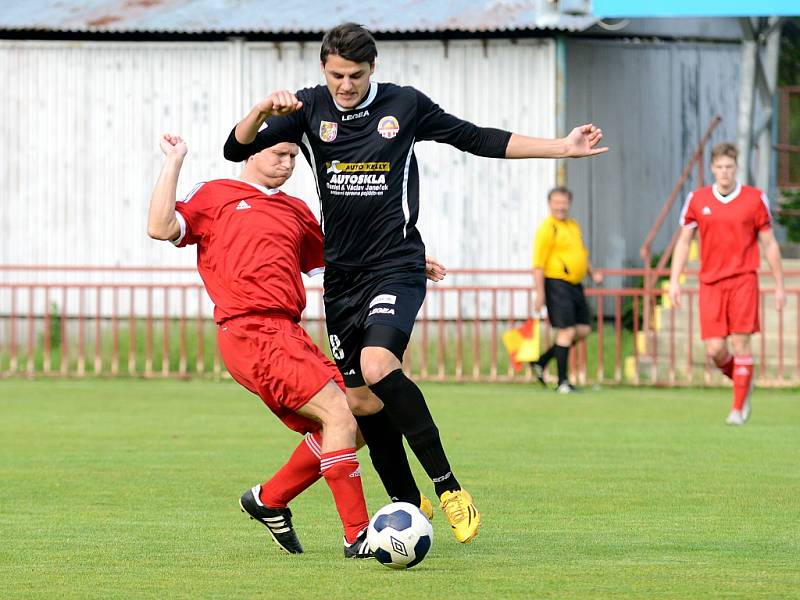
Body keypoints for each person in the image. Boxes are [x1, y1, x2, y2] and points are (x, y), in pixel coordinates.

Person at [223, 22, 608, 544]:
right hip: (341, 280)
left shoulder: (404, 105)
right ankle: (407, 501)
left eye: (355, 75)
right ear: (322, 69)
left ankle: (448, 487)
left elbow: (476, 138)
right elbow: (233, 149)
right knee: (360, 403)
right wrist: (261, 112)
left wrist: (561, 148)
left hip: (396, 266)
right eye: (336, 75)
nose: (345, 86)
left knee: (380, 366)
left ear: (372, 69)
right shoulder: (309, 109)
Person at [147, 133, 374, 558]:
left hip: (290, 332)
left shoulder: (295, 210)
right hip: (250, 332)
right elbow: (160, 227)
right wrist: (174, 160)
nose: (287, 163)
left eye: (293, 156)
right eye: (279, 153)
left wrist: (406, 261)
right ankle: (357, 536)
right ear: (253, 152)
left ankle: (269, 498)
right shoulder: (216, 195)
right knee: (339, 411)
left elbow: (340, 259)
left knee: (358, 420)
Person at [669, 142, 785, 426]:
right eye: (719, 167)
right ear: (712, 168)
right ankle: (743, 379)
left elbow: (769, 243)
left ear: (736, 168)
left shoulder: (755, 199)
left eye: (729, 167)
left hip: (744, 279)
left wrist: (780, 283)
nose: (724, 172)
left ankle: (737, 409)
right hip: (710, 282)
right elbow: (684, 242)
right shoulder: (697, 199)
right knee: (714, 350)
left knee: (741, 343)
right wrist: (674, 280)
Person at [530, 187, 603, 393]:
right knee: (567, 331)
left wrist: (592, 272)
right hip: (556, 283)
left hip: (575, 284)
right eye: (556, 202)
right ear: (550, 204)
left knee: (583, 329)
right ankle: (562, 382)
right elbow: (538, 264)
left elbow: (580, 252)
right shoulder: (547, 229)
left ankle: (542, 361)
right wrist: (540, 293)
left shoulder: (573, 225)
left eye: (564, 202)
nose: (560, 206)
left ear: (569, 203)